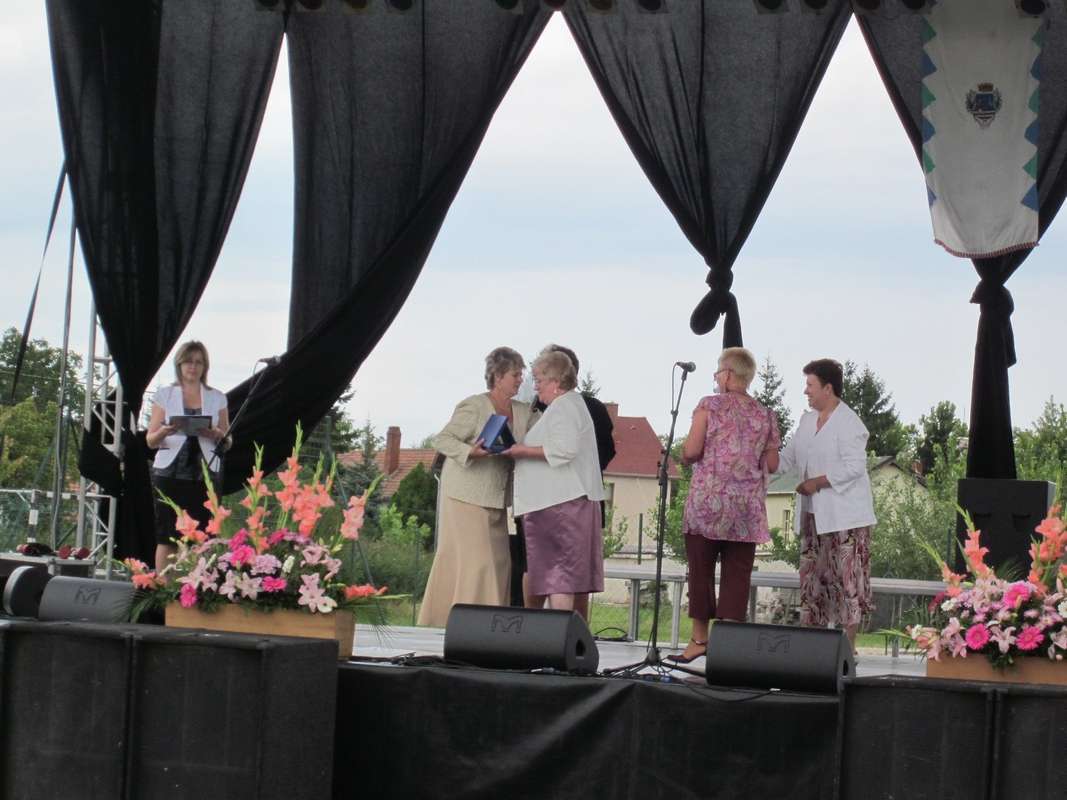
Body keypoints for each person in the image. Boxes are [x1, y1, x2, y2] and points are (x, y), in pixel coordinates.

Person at [668, 347, 780, 664]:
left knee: (700, 572)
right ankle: (728, 647)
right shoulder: (766, 414)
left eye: (718, 372)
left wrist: (685, 455)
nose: (716, 378)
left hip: (708, 506)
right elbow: (772, 463)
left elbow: (692, 450)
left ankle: (698, 641)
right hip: (746, 510)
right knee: (737, 577)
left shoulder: (709, 405)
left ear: (728, 374)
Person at [418, 347, 536, 627]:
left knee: (501, 563)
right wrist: (470, 451)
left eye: (521, 374)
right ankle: (462, 624)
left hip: (497, 498)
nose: (520, 379)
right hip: (464, 494)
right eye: (515, 374)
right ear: (498, 376)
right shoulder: (473, 406)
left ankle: (489, 626)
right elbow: (442, 439)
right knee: (478, 562)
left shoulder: (524, 411)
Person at [778, 358, 876, 651]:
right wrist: (760, 458)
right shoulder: (806, 421)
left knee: (847, 582)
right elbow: (786, 460)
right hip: (813, 516)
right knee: (813, 582)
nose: (805, 391)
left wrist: (817, 482)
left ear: (828, 388)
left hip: (846, 518)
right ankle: (813, 648)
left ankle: (847, 649)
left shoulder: (849, 423)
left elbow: (854, 467)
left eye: (810, 385)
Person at [511, 344, 614, 605]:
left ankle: (557, 629)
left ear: (556, 382)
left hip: (560, 505)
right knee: (560, 577)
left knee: (559, 578)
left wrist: (520, 450)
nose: (536, 387)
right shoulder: (571, 404)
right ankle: (559, 628)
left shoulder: (563, 407)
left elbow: (564, 449)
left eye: (539, 380)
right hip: (565, 503)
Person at [146, 341, 229, 573]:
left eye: (198, 362)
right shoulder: (165, 395)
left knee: (203, 537)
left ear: (205, 367)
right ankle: (163, 587)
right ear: (179, 365)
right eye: (188, 361)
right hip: (170, 472)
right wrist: (165, 431)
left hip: (205, 473)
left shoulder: (217, 398)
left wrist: (215, 434)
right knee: (167, 535)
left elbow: (228, 440)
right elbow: (150, 440)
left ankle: (198, 585)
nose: (193, 366)